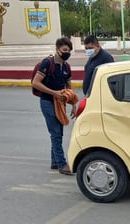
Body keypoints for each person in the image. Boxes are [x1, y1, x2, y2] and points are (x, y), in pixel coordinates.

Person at [32, 37, 76, 176]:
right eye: (64, 50)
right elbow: (36, 82)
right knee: (56, 133)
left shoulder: (66, 67)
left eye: (69, 50)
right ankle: (62, 164)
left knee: (59, 132)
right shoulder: (48, 63)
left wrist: (73, 104)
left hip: (59, 103)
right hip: (47, 102)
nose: (66, 52)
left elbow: (69, 86)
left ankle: (55, 161)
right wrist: (54, 93)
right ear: (57, 49)